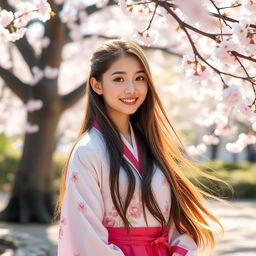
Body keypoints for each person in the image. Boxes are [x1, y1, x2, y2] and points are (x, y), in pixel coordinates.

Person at [54, 39, 224, 256]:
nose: (131, 89)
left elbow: (175, 222)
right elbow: (85, 236)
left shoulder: (152, 146)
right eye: (119, 79)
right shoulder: (88, 151)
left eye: (139, 78)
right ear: (97, 85)